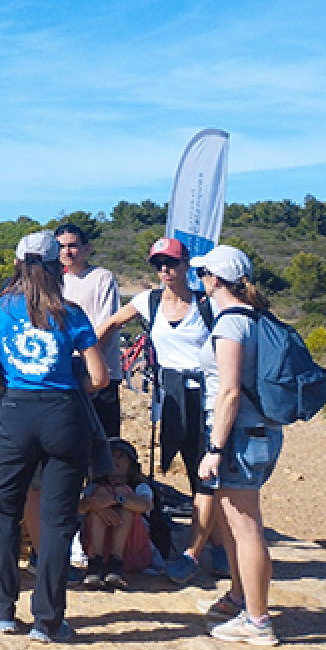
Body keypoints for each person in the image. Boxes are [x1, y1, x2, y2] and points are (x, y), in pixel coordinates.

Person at [0, 230, 108, 644]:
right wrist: (67, 388)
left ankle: (1, 608)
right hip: (63, 415)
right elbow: (100, 377)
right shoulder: (70, 313)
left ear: (17, 263)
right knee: (57, 520)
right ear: (57, 267)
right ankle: (47, 620)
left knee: (4, 509)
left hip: (17, 410)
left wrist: (17, 382)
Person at [94, 237, 224, 583]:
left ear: (187, 266)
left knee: (206, 475)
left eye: (172, 263)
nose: (165, 270)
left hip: (207, 397)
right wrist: (85, 355)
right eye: (159, 265)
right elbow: (110, 324)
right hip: (172, 397)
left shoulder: (207, 303)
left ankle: (201, 553)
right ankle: (210, 546)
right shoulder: (148, 301)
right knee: (186, 467)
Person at [191, 245, 284, 647]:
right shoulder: (256, 317)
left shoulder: (230, 324)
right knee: (235, 522)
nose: (200, 282)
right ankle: (239, 597)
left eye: (203, 275)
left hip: (239, 437)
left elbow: (228, 391)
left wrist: (214, 448)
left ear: (215, 279)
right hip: (259, 431)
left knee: (245, 527)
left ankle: (258, 622)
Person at [56, 223, 123, 438]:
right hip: (66, 375)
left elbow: (108, 324)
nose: (67, 251)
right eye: (61, 246)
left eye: (73, 246)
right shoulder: (56, 283)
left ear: (86, 248)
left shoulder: (102, 278)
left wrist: (82, 355)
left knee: (105, 443)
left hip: (101, 375)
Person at [78, 438, 154, 589]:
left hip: (133, 551)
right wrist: (100, 507)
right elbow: (80, 508)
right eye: (111, 455)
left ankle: (116, 562)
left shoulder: (141, 488)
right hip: (98, 546)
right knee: (98, 494)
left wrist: (115, 499)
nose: (115, 460)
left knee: (124, 495)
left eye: (121, 456)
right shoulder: (94, 487)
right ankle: (96, 562)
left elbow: (145, 505)